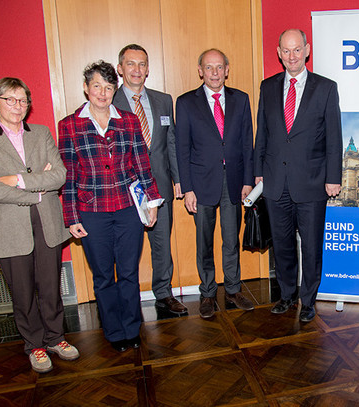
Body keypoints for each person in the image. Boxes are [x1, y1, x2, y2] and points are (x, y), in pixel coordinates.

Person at [0, 77, 79, 373]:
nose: (17, 106)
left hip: (48, 222)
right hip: (9, 227)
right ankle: (35, 345)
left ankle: (56, 337)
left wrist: (18, 181)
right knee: (22, 292)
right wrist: (36, 192)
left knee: (49, 287)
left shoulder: (41, 133)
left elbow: (58, 175)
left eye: (22, 100)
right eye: (10, 99)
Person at [58, 61, 162, 352]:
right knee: (103, 276)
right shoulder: (69, 125)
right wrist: (71, 217)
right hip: (91, 213)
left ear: (114, 89)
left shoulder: (128, 120)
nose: (102, 93)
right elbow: (69, 175)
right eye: (96, 86)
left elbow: (142, 164)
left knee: (128, 272)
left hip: (128, 209)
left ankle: (131, 328)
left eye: (108, 87)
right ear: (86, 88)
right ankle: (114, 332)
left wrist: (151, 202)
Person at [254, 29, 342, 323]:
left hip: (313, 183)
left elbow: (334, 138)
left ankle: (308, 300)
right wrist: (258, 175)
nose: (291, 56)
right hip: (275, 184)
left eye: (297, 50)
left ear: (307, 50)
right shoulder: (267, 88)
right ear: (279, 53)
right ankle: (287, 295)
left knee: (312, 245)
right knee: (282, 245)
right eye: (286, 51)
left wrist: (333, 177)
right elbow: (261, 136)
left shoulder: (326, 88)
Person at [175, 48, 256, 318]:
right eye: (209, 68)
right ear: (200, 71)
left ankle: (233, 290)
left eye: (219, 67)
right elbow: (182, 149)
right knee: (204, 243)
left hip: (234, 182)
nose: (214, 73)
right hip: (200, 185)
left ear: (227, 69)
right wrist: (187, 188)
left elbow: (247, 143)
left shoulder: (241, 99)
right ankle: (208, 293)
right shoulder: (186, 103)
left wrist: (248, 180)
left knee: (231, 240)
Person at [113, 44, 187, 315]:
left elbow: (171, 142)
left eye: (142, 64)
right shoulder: (110, 102)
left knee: (161, 244)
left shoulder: (163, 100)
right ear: (120, 69)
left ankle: (164, 294)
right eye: (131, 64)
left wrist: (178, 179)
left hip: (160, 185)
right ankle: (126, 298)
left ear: (148, 69)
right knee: (127, 247)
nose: (137, 69)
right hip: (124, 189)